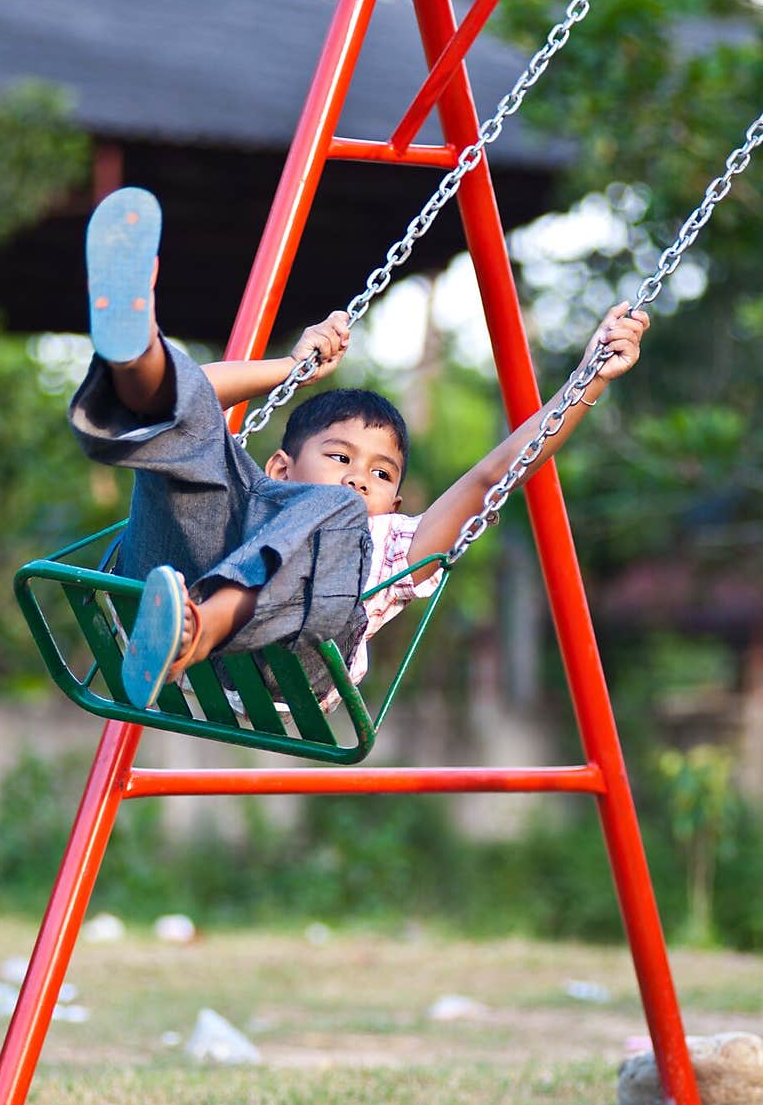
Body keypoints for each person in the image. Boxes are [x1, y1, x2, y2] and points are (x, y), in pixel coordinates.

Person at [69, 186, 649, 714]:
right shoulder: (254, 493)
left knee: (336, 510)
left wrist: (588, 379)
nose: (359, 478)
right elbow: (203, 412)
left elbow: (491, 476)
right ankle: (135, 362)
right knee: (193, 427)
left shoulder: (393, 545)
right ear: (281, 466)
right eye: (341, 457)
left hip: (289, 664)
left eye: (380, 472)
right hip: (162, 600)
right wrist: (291, 369)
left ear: (396, 501)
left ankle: (200, 626)